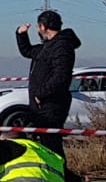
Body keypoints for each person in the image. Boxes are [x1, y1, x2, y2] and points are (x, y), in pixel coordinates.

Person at [15, 10, 81, 156]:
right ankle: (54, 175)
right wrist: (21, 34)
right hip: (41, 104)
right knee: (45, 143)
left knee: (52, 144)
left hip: (52, 104)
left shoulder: (62, 47)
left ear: (42, 27)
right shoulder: (48, 46)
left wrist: (41, 94)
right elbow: (28, 51)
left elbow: (61, 77)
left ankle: (63, 177)